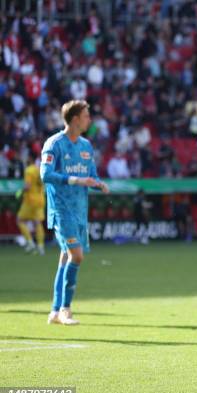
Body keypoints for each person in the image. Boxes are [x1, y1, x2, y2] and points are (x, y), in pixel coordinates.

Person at [40, 100, 109, 325]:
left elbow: (91, 174)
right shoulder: (54, 144)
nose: (90, 119)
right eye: (86, 115)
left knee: (65, 257)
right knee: (77, 256)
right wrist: (75, 179)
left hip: (80, 210)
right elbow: (46, 174)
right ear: (75, 118)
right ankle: (65, 310)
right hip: (61, 209)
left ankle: (54, 311)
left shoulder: (86, 146)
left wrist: (98, 184)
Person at [16, 151, 46, 255]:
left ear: (30, 158)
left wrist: (20, 192)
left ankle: (30, 242)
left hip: (30, 200)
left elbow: (27, 186)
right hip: (40, 199)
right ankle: (41, 247)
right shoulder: (40, 170)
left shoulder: (29, 170)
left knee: (20, 220)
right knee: (37, 222)